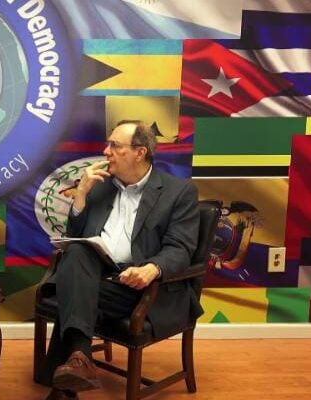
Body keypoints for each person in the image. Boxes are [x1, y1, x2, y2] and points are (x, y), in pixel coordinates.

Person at [37, 121, 201, 400]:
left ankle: (66, 380)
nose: (106, 151)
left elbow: (181, 248)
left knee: (72, 290)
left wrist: (152, 268)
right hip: (99, 275)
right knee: (76, 254)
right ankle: (80, 360)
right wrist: (81, 193)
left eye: (115, 145)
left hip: (141, 287)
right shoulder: (101, 187)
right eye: (108, 144)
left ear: (140, 152)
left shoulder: (178, 192)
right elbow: (75, 237)